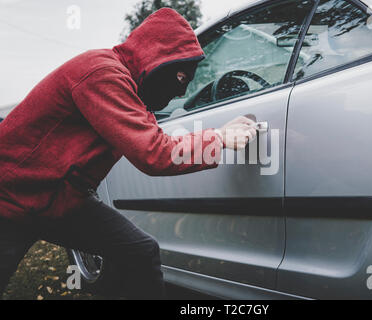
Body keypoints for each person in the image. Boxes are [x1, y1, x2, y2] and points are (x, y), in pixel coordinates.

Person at [0, 8, 256, 299]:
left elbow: (155, 139)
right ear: (159, 60)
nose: (179, 93)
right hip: (11, 199)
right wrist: (220, 138)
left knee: (139, 252)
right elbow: (155, 154)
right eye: (180, 78)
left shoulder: (131, 92)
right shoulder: (102, 73)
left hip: (58, 200)